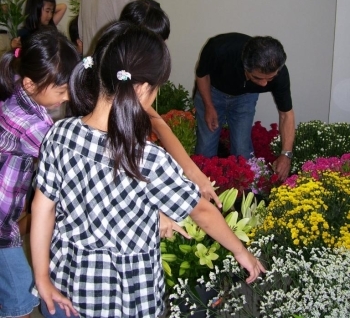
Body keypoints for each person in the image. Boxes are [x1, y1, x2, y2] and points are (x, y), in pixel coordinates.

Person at [30, 22, 265, 318]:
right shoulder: (147, 159)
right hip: (126, 301)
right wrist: (240, 251)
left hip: (64, 292)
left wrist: (42, 279)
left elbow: (42, 209)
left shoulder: (60, 134)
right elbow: (202, 212)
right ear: (142, 89)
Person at [0, 29, 80, 318]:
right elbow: (67, 163)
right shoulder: (29, 124)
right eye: (61, 90)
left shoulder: (19, 90)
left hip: (6, 216)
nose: (68, 96)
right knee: (21, 296)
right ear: (32, 84)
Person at [120, 0, 220, 206]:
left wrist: (193, 172)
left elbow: (158, 123)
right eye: (157, 42)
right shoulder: (120, 79)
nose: (161, 49)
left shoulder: (134, 72)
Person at [194, 33, 295, 182]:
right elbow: (202, 75)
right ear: (245, 67)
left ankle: (243, 195)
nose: (264, 84)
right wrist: (209, 106)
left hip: (245, 97)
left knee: (242, 150)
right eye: (257, 78)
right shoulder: (219, 49)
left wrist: (286, 155)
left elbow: (286, 114)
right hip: (212, 92)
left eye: (270, 78)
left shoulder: (280, 74)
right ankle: (201, 194)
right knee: (205, 149)